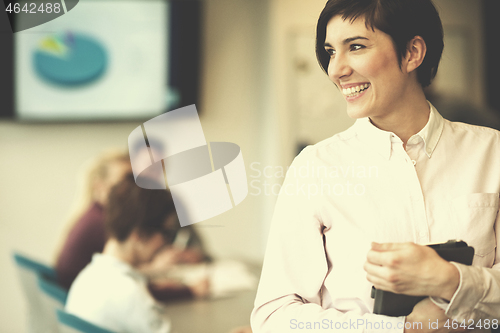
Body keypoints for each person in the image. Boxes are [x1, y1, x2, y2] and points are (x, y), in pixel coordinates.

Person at [251, 1, 500, 333]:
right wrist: (402, 328)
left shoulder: (492, 152)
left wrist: (450, 279)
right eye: (330, 52)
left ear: (412, 52)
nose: (335, 70)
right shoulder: (314, 168)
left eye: (355, 47)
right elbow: (274, 316)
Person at [65, 173, 209, 333]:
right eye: (166, 233)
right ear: (139, 235)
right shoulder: (132, 296)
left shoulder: (86, 279)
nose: (166, 243)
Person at [55, 149, 131, 290]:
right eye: (126, 180)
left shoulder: (92, 214)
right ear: (99, 186)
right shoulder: (100, 223)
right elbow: (129, 277)